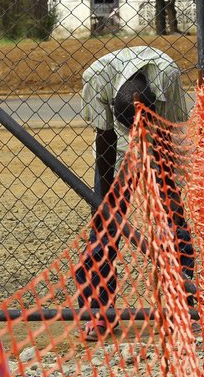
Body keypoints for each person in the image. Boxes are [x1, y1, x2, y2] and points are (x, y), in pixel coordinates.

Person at [75, 46, 193, 340]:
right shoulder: (96, 77)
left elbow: (174, 124)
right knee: (102, 231)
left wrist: (168, 185)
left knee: (174, 222)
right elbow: (105, 135)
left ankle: (182, 304)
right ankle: (97, 312)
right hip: (115, 150)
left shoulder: (167, 74)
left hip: (159, 141)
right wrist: (102, 202)